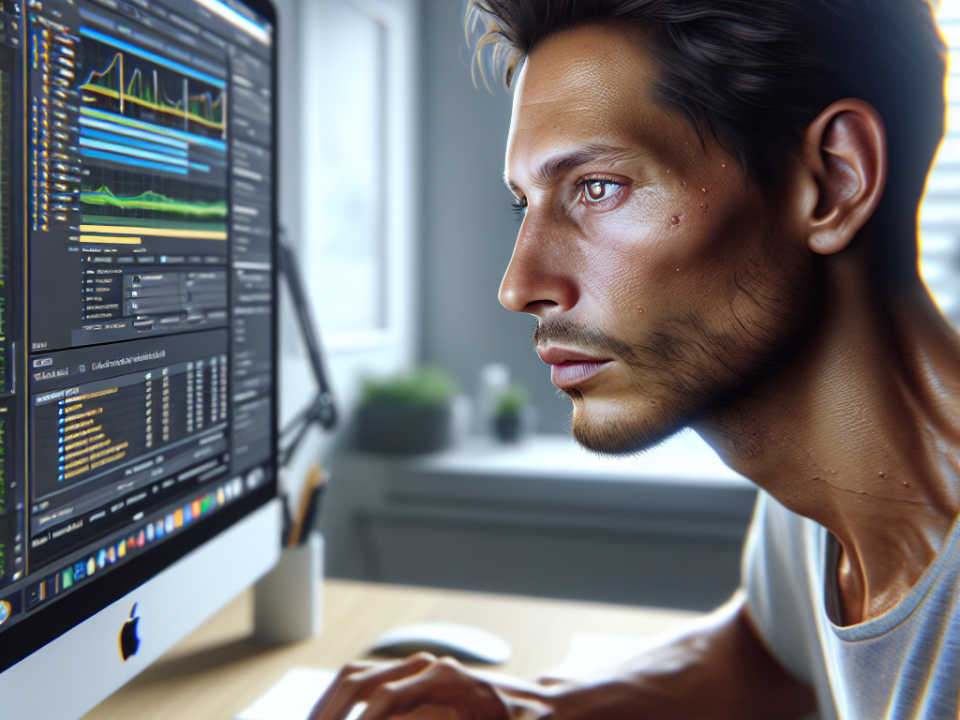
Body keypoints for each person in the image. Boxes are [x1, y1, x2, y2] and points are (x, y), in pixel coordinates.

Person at [311, 0, 956, 718]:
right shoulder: (829, 477)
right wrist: (529, 705)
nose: (519, 287)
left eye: (597, 187)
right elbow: (767, 651)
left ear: (834, 180)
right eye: (526, 202)